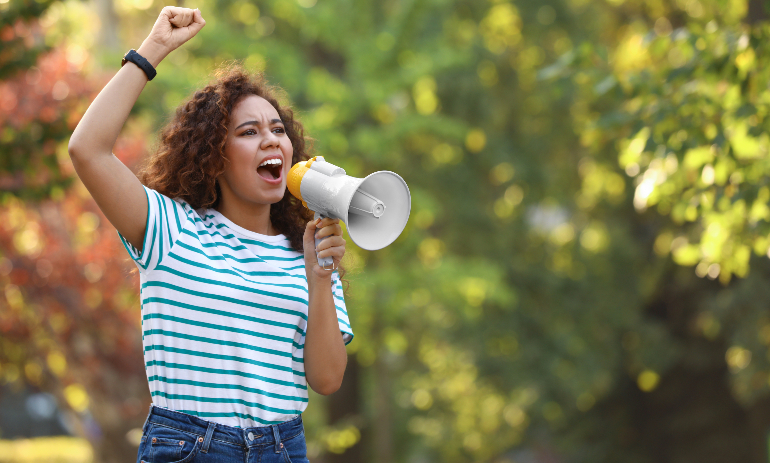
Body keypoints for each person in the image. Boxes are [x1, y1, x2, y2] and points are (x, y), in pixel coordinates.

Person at [68, 7, 352, 462]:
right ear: (214, 157)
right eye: (249, 131)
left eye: (278, 130)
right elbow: (87, 150)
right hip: (191, 448)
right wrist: (152, 49)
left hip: (283, 448)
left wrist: (320, 278)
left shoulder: (307, 252)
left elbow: (326, 380)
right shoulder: (170, 229)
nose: (272, 140)